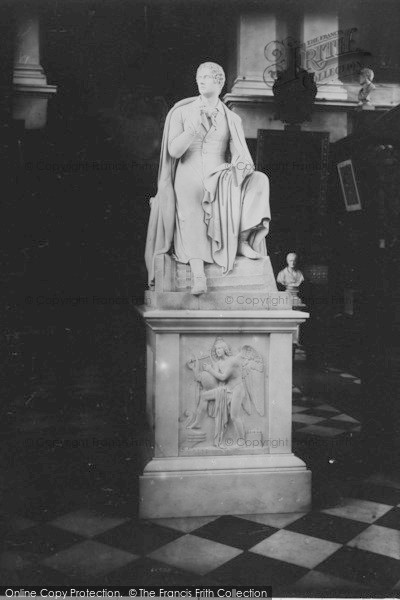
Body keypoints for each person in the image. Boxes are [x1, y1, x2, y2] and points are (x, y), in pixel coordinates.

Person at [145, 62, 271, 294]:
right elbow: (174, 151)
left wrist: (240, 168)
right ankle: (198, 273)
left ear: (220, 82)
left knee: (260, 180)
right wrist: (192, 130)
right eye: (199, 77)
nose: (201, 81)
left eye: (207, 77)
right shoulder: (181, 113)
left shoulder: (232, 118)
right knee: (193, 199)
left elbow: (240, 154)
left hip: (220, 174)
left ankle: (242, 240)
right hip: (188, 171)